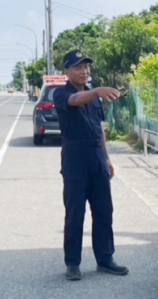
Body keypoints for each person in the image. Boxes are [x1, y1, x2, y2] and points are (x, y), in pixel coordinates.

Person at [53, 50, 130, 281]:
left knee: (104, 211)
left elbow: (99, 128)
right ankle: (73, 264)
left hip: (96, 155)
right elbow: (74, 101)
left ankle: (105, 259)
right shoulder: (61, 93)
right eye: (79, 67)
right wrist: (96, 91)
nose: (85, 71)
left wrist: (106, 158)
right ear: (67, 72)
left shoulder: (94, 97)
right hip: (75, 157)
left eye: (87, 66)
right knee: (75, 212)